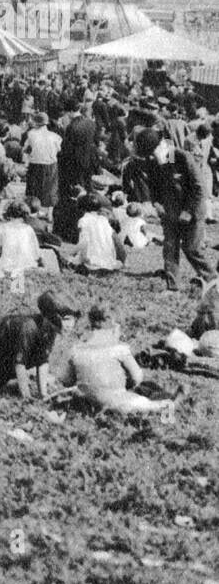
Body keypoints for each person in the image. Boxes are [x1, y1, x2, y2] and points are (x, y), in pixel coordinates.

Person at [46, 306, 175, 414]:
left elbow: (65, 379)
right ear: (111, 325)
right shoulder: (119, 349)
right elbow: (137, 377)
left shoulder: (75, 349)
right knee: (158, 404)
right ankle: (172, 406)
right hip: (118, 402)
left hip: (88, 401)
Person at [136, 126, 215, 292]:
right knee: (170, 247)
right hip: (170, 211)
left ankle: (212, 279)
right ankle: (172, 285)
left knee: (191, 248)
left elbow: (199, 188)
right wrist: (156, 203)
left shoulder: (181, 157)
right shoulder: (153, 162)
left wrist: (188, 211)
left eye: (152, 152)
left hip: (191, 211)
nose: (150, 157)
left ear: (160, 146)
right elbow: (154, 185)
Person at [0, 199, 50, 274]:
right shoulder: (28, 228)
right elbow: (36, 254)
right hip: (27, 264)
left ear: (9, 214)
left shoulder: (2, 228)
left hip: (7, 264)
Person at [71, 194, 124, 274]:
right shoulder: (104, 220)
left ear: (81, 209)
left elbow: (84, 241)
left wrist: (74, 254)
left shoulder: (84, 220)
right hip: (108, 259)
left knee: (72, 260)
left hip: (91, 259)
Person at [23, 112, 62, 214]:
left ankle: (33, 211)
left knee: (34, 188)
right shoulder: (55, 136)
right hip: (51, 165)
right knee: (50, 190)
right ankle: (49, 213)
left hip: (35, 164)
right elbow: (59, 150)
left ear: (36, 123)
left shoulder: (31, 134)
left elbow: (26, 149)